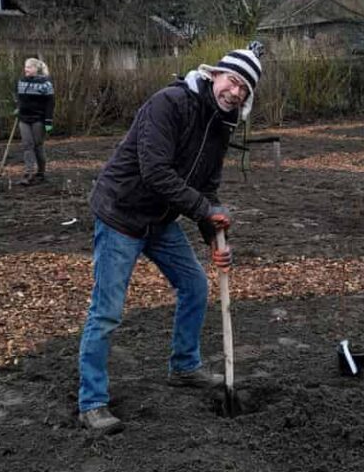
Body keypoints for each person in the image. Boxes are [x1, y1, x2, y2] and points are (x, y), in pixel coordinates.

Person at [77, 43, 263, 434]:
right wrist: (204, 210)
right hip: (121, 214)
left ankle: (184, 367)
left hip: (160, 222)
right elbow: (154, 171)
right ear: (215, 74)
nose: (235, 92)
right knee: (107, 311)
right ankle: (92, 401)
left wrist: (214, 239)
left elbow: (208, 188)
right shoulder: (169, 103)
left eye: (245, 89)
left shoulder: (222, 125)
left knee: (195, 285)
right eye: (233, 81)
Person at [15, 57, 55, 185]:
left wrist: (48, 121)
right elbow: (20, 98)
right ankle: (28, 174)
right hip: (24, 119)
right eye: (25, 66)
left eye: (29, 67)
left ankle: (41, 172)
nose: (26, 69)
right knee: (27, 145)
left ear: (35, 69)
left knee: (38, 146)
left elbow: (50, 103)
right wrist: (18, 108)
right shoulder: (21, 81)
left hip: (39, 119)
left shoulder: (45, 83)